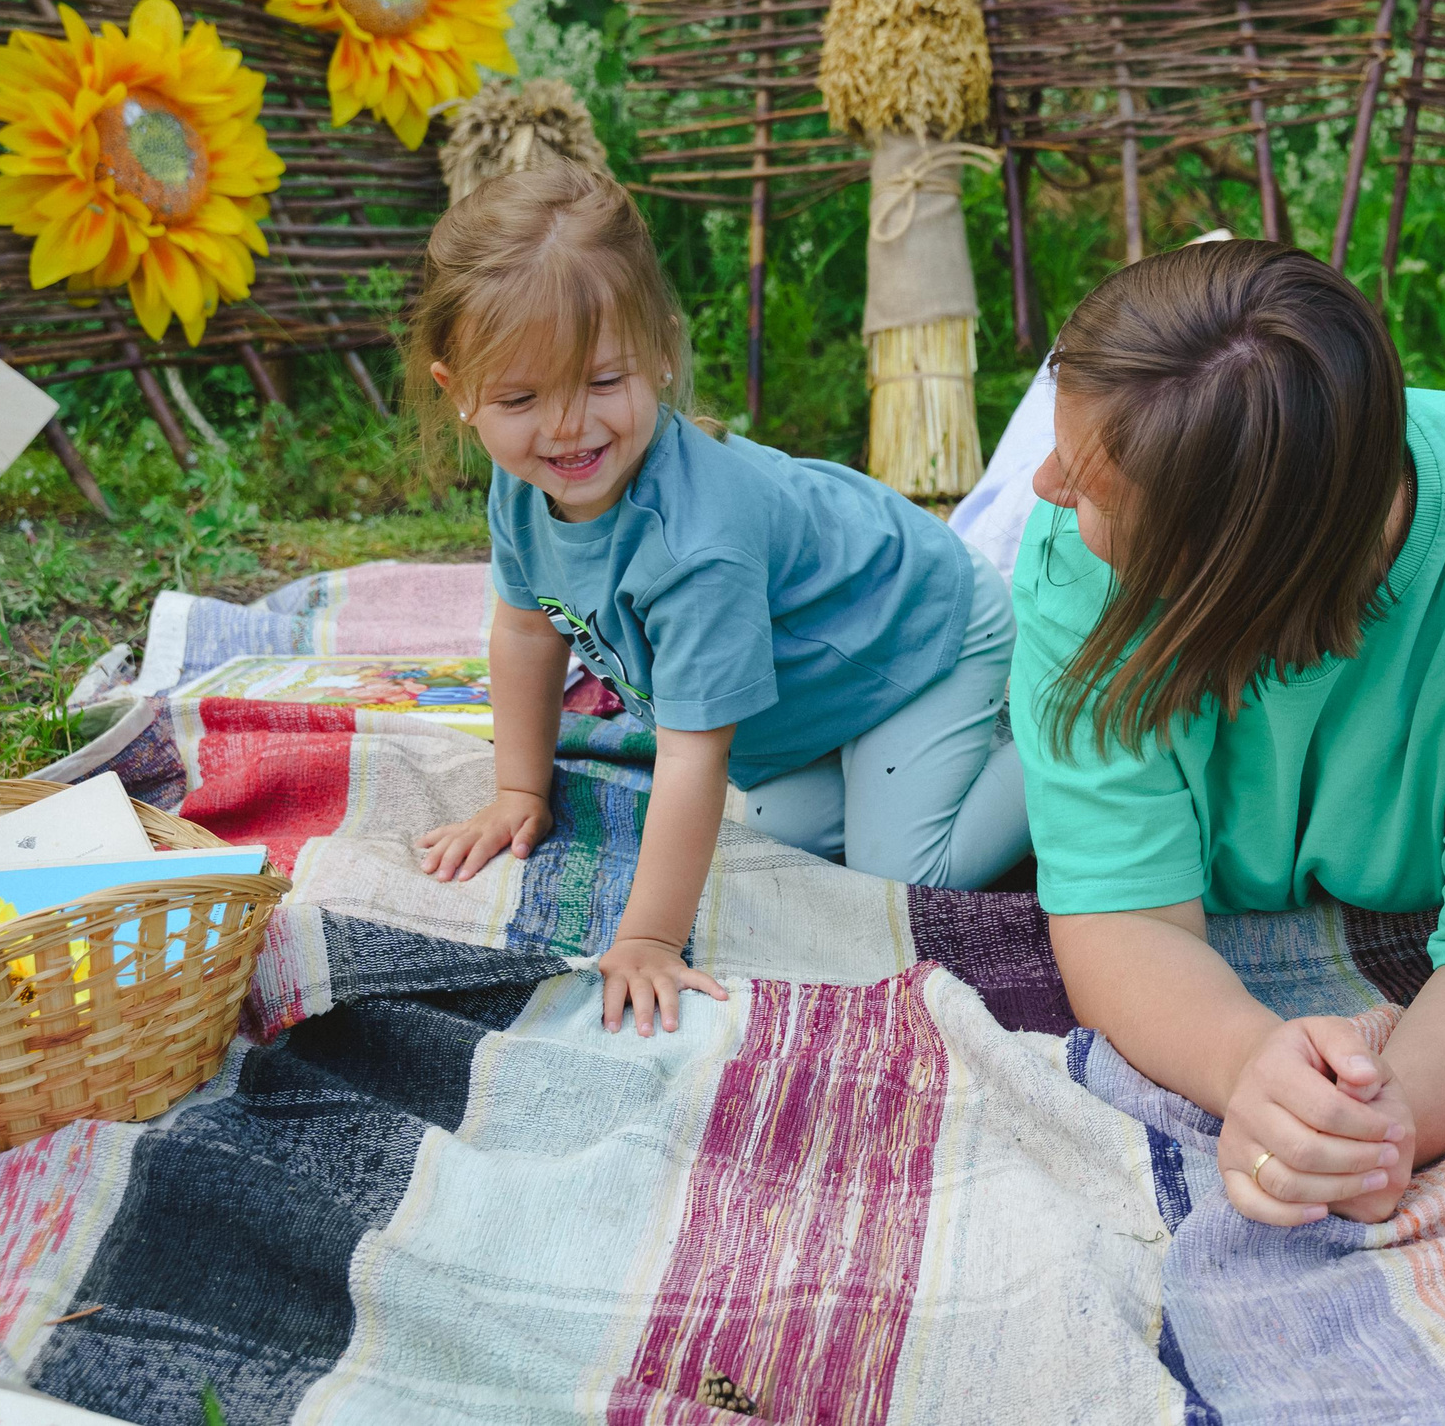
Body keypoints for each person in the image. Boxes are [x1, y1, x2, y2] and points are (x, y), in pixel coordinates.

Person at [1011, 240, 1445, 1226]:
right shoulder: (1075, 554)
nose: (1046, 487)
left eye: (1091, 484)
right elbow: (1121, 912)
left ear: (1230, 571)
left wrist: (1372, 1126)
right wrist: (1245, 1067)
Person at [408, 159, 1028, 1034]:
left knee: (905, 869)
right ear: (460, 392)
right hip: (832, 685)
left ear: (660, 351)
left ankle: (1070, 721)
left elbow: (693, 755)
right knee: (773, 845)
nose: (567, 425)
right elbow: (523, 631)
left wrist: (653, 936)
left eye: (602, 381)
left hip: (924, 637)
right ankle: (907, 753)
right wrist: (520, 789)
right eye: (521, 395)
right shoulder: (522, 489)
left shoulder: (697, 544)